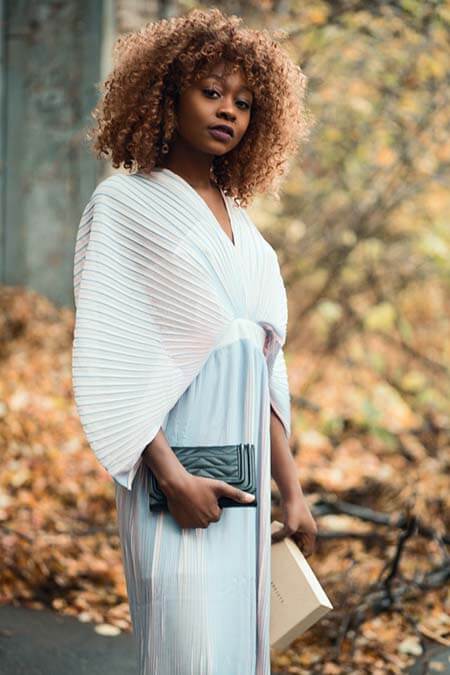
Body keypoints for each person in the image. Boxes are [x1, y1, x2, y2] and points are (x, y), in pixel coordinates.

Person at [72, 7, 317, 675]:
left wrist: (291, 489)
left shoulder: (250, 236)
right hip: (169, 479)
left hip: (245, 489)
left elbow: (264, 369)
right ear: (167, 94)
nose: (228, 111)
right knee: (188, 653)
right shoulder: (125, 204)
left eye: (243, 101)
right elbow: (112, 357)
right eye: (211, 92)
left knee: (237, 652)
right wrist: (174, 478)